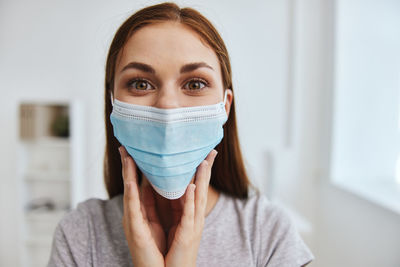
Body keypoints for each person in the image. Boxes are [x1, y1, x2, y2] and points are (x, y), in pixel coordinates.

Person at [47, 2, 314, 266]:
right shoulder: (80, 234)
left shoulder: (269, 235)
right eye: (141, 84)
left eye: (195, 83)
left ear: (225, 105)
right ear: (113, 102)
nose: (167, 106)